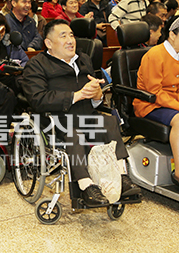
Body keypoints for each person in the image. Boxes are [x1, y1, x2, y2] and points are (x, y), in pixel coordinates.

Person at [22, 19, 139, 207]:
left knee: (109, 122)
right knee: (74, 133)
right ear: (49, 43)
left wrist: (97, 95)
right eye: (63, 36)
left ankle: (122, 177)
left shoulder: (83, 58)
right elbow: (38, 99)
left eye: (71, 35)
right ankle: (86, 187)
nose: (70, 40)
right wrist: (76, 95)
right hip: (56, 121)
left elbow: (95, 96)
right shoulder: (37, 65)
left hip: (85, 116)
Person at [133, 15, 179, 191]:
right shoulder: (155, 54)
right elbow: (154, 93)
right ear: (173, 35)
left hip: (172, 103)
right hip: (149, 104)